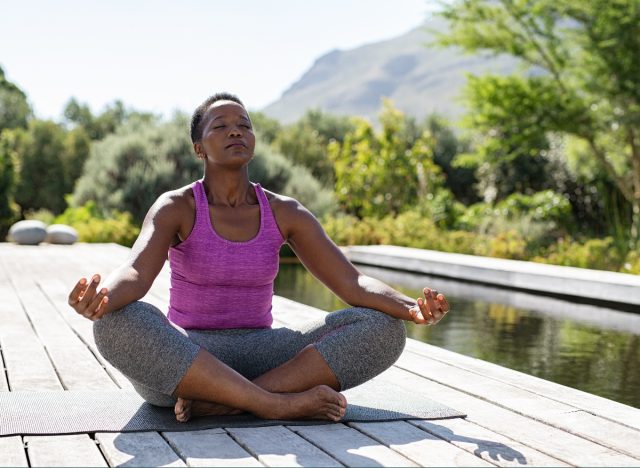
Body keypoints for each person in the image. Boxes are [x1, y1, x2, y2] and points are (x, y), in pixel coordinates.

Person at [67, 92, 450, 423]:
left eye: (244, 124)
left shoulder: (286, 212)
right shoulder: (176, 206)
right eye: (220, 126)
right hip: (187, 361)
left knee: (382, 328)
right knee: (116, 322)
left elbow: (351, 283)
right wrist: (103, 299)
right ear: (199, 147)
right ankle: (271, 405)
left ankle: (228, 403)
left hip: (267, 356)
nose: (236, 130)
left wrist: (409, 307)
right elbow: (135, 271)